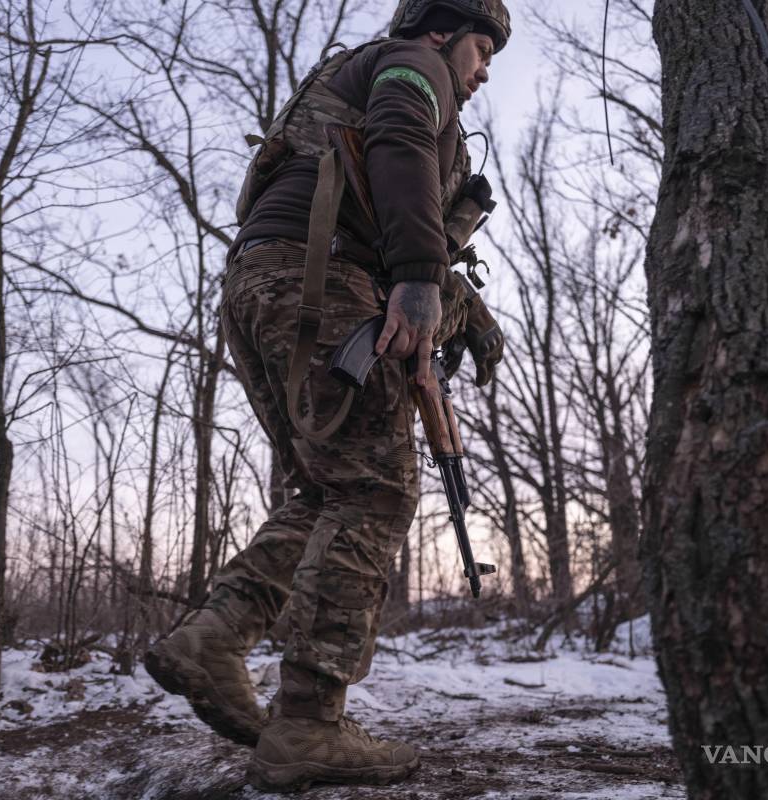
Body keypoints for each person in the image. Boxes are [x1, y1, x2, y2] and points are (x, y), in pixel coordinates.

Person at [145, 0, 510, 791]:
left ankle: (214, 638)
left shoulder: (358, 78)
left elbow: (376, 184)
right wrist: (418, 277)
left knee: (324, 488)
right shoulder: (414, 67)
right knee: (375, 492)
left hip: (266, 286)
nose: (483, 73)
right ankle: (309, 723)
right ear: (443, 32)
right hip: (319, 284)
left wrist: (457, 299)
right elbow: (401, 141)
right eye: (483, 49)